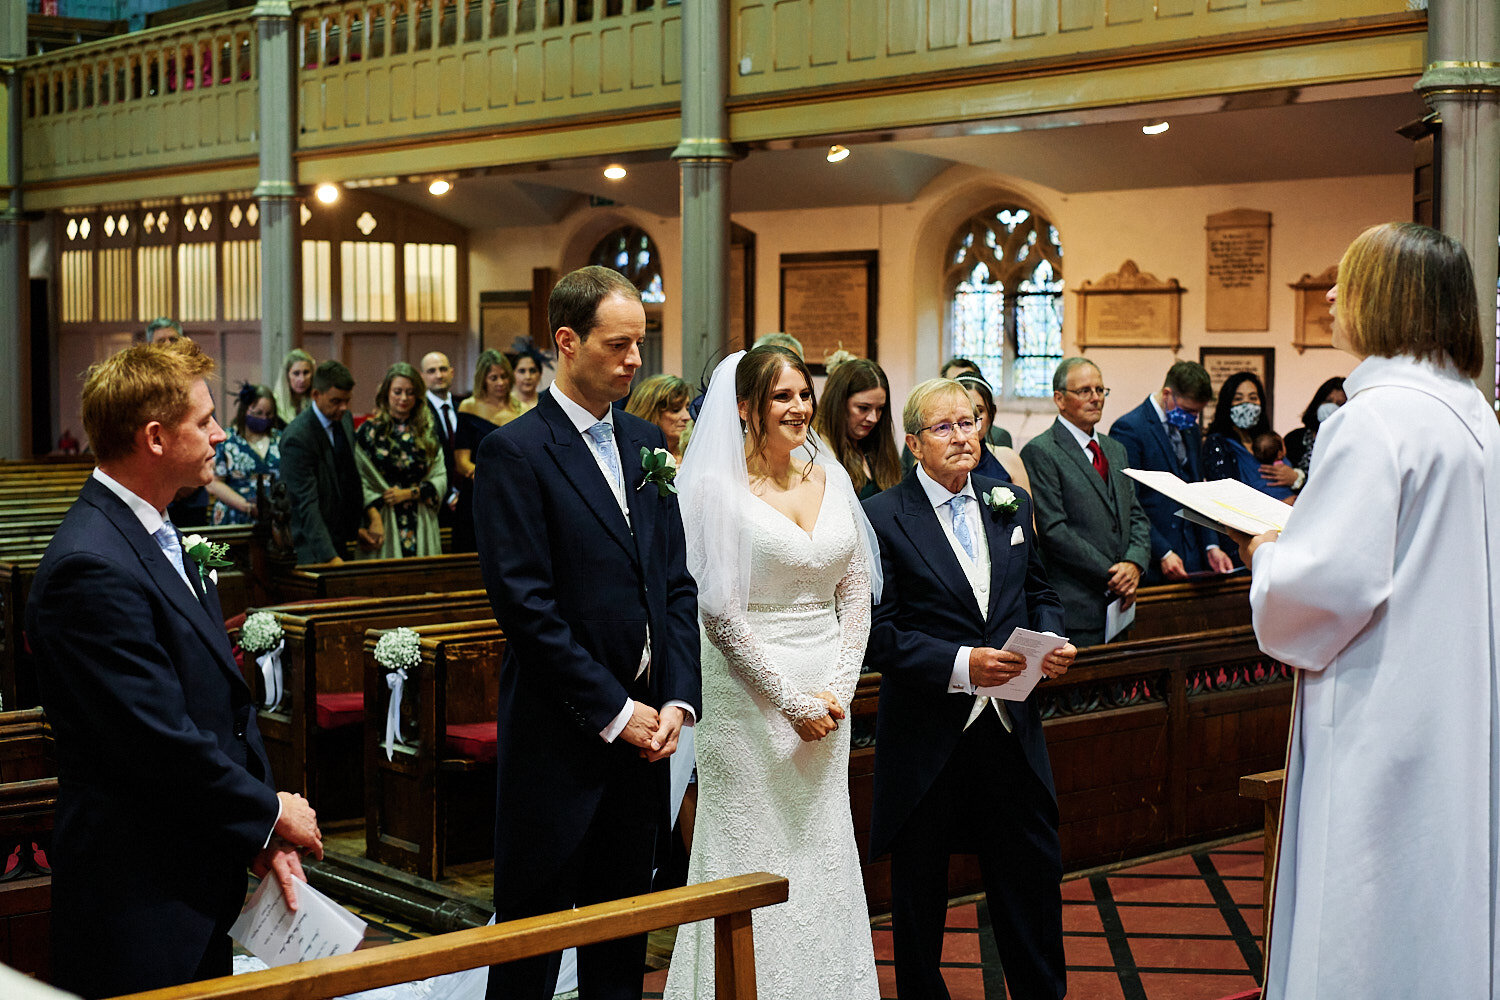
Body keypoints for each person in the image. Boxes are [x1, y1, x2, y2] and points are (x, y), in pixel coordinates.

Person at [1232, 222, 1500, 1000]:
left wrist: (1267, 555)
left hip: (1381, 713)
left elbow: (1321, 592)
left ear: (1387, 298)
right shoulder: (1474, 416)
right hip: (1454, 706)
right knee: (1441, 907)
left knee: (1365, 913)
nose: (1330, 298)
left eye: (1345, 283)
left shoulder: (1373, 419)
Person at [25, 338, 323, 998]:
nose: (220, 433)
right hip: (137, 895)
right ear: (156, 438)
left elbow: (219, 705)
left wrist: (254, 835)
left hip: (192, 867)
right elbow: (154, 737)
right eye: (205, 420)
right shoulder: (90, 565)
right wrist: (267, 810)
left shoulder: (152, 530)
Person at [474, 265, 701, 1000]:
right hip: (560, 737)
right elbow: (525, 608)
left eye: (641, 343)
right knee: (530, 949)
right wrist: (614, 710)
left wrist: (676, 699)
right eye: (618, 344)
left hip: (646, 739)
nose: (636, 360)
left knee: (619, 948)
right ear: (567, 341)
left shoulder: (644, 440)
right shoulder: (516, 452)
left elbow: (674, 582)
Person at [665, 347, 881, 1000]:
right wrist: (791, 701)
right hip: (748, 700)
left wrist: (838, 689)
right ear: (744, 407)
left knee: (824, 846)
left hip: (828, 694)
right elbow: (719, 613)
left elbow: (856, 588)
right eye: (781, 396)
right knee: (752, 847)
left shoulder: (831, 474)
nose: (798, 407)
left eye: (804, 394)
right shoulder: (714, 488)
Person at [864, 377, 1076, 1000]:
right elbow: (876, 632)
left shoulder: (1009, 500)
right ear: (912, 443)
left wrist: (1052, 639)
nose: (962, 437)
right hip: (930, 732)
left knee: (1031, 878)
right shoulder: (881, 516)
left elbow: (1039, 590)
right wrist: (960, 664)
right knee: (921, 892)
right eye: (944, 427)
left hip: (1011, 727)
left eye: (969, 422)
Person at [1020, 358, 1150, 646]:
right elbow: (1053, 530)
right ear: (1059, 399)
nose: (1095, 398)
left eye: (1100, 390)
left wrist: (1134, 564)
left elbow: (1136, 515)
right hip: (1077, 605)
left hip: (1120, 605)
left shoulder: (1115, 449)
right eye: (1084, 391)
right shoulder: (1041, 451)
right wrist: (1114, 575)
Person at [1107, 361, 1235, 583]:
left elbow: (1197, 490)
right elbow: (1129, 502)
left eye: (1197, 412)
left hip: (1193, 556)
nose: (1193, 418)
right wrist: (1163, 552)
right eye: (1188, 411)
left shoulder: (1191, 430)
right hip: (1155, 557)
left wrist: (1211, 544)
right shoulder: (1129, 428)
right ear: (1167, 394)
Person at [281, 360, 376, 564]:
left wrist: (357, 527)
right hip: (312, 547)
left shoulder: (345, 419)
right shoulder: (297, 437)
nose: (343, 408)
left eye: (347, 401)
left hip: (342, 539)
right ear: (316, 395)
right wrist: (330, 557)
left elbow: (348, 478)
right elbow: (306, 504)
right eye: (336, 401)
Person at [356, 362, 446, 559]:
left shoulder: (427, 432)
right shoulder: (369, 432)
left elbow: (440, 477)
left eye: (410, 393)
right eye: (397, 392)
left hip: (421, 519)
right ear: (386, 393)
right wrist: (373, 515)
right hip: (382, 519)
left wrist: (409, 493)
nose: (404, 398)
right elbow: (359, 479)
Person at [452, 350, 517, 553]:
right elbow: (461, 462)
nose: (500, 383)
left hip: (512, 493)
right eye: (493, 378)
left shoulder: (522, 409)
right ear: (483, 379)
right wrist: (488, 475)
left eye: (504, 376)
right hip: (477, 491)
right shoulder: (469, 407)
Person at [813, 356, 901, 499]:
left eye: (880, 409)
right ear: (839, 404)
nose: (873, 418)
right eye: (863, 408)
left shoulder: (874, 445)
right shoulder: (819, 452)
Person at [1202, 371, 1294, 498]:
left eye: (1253, 398)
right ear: (1227, 404)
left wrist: (1296, 479)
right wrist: (1281, 504)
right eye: (1238, 399)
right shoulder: (1218, 444)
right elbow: (1226, 496)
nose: (1247, 404)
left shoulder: (1269, 439)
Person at [207, 382, 280, 525]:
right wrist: (247, 507)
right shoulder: (228, 440)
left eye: (268, 414)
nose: (263, 418)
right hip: (233, 517)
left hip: (272, 520)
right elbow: (213, 483)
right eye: (258, 413)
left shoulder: (279, 439)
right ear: (245, 410)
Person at [953, 372, 1031, 493]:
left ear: (991, 414)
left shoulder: (1010, 460)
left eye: (979, 411)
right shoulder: (939, 461)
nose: (971, 420)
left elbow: (1026, 505)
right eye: (963, 412)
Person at [421, 351, 463, 532]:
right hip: (433, 501)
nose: (439, 375)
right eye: (431, 371)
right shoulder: (418, 412)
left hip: (466, 500)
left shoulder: (464, 408)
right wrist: (448, 496)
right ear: (422, 377)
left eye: (443, 369)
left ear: (452, 372)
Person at [1283, 376, 1347, 477]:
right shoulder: (1293, 439)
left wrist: (1298, 480)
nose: (1331, 408)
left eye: (1340, 404)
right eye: (1328, 401)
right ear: (1318, 403)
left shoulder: (1350, 442)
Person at [625, 373, 692, 463]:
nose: (687, 417)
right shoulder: (631, 457)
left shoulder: (694, 452)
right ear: (650, 412)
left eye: (687, 408)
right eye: (675, 410)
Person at [275, 347, 316, 425]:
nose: (302, 379)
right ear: (287, 376)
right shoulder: (275, 404)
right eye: (296, 373)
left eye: (306, 373)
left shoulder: (317, 402)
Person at [510, 345, 545, 414]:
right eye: (522, 371)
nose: (528, 376)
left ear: (540, 374)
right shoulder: (505, 403)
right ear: (512, 374)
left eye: (532, 371)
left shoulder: (546, 402)